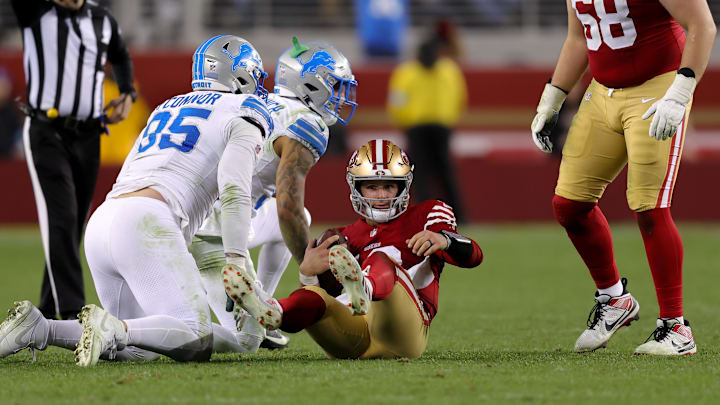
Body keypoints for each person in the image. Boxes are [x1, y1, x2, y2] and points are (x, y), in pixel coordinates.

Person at [0, 35, 273, 366]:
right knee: (194, 336)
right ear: (240, 74)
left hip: (105, 220)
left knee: (139, 346)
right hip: (146, 222)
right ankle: (112, 328)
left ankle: (39, 329)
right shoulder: (245, 109)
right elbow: (234, 187)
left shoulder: (167, 106)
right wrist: (236, 259)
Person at [531, 0, 716, 355]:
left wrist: (679, 93)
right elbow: (579, 38)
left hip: (658, 86)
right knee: (569, 205)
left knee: (649, 207)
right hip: (602, 92)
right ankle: (614, 298)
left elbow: (702, 26)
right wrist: (551, 99)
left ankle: (676, 328)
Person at [224, 139, 483, 359]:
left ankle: (365, 286)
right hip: (353, 335)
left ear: (403, 187)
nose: (381, 195)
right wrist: (307, 273)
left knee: (382, 259)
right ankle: (274, 312)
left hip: (405, 333)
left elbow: (474, 257)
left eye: (389, 186)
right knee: (316, 295)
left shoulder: (427, 214)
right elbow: (325, 302)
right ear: (357, 188)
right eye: (372, 186)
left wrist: (446, 241)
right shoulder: (345, 236)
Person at [190, 37, 358, 352]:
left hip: (207, 215)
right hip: (213, 234)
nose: (339, 95)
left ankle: (258, 299)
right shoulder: (307, 122)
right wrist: (309, 268)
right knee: (247, 344)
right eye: (334, 85)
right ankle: (175, 330)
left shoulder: (259, 102)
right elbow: (287, 209)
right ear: (311, 85)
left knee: (301, 218)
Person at [11, 0, 136, 321]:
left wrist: (126, 93)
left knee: (73, 223)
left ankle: (49, 311)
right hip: (46, 131)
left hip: (90, 134)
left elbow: (120, 55)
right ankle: (72, 313)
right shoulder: (36, 11)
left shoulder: (101, 19)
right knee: (62, 217)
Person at [387, 36, 467, 222]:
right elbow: (397, 100)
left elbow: (458, 97)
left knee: (441, 173)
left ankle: (454, 216)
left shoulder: (444, 70)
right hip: (420, 128)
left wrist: (449, 119)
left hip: (436, 127)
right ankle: (430, 216)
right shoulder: (444, 70)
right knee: (425, 173)